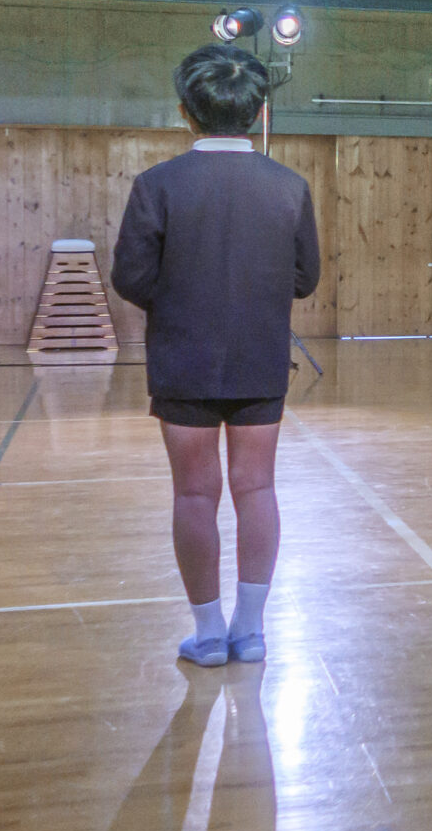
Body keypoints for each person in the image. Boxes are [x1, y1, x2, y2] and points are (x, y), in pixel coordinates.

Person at [111, 44, 322, 670]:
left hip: (183, 357)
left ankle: (206, 634)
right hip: (259, 355)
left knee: (193, 496)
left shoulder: (157, 185)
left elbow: (130, 277)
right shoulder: (289, 186)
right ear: (259, 114)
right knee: (257, 488)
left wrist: (181, 301)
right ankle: (250, 631)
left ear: (185, 112)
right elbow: (306, 277)